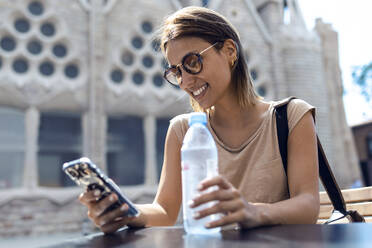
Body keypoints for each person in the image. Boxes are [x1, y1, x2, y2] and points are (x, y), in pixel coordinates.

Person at [79, 6, 320, 233]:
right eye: (176, 72)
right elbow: (164, 211)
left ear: (229, 51)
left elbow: (308, 205)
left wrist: (254, 211)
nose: (185, 81)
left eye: (192, 62)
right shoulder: (182, 130)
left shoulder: (291, 117)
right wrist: (125, 212)